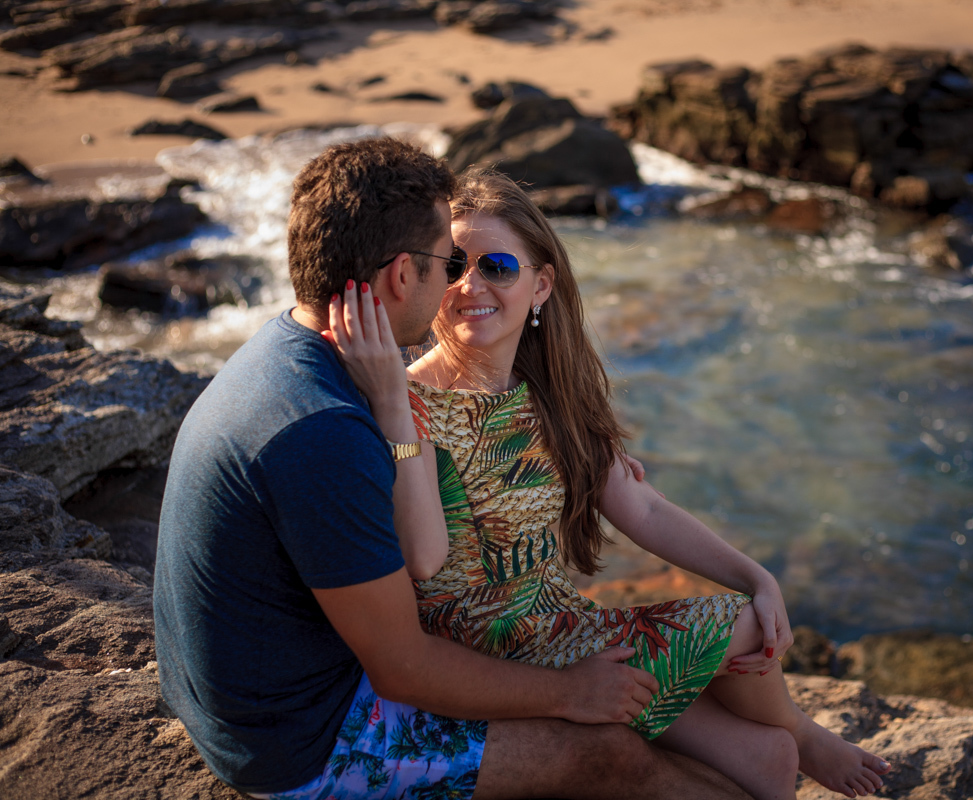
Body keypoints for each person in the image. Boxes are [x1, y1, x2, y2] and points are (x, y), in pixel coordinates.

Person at [153, 137, 762, 800]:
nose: (459, 282)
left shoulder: (290, 351)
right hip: (303, 744)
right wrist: (569, 693)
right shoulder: (325, 431)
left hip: (256, 700)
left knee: (636, 723)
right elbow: (404, 668)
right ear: (401, 277)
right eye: (447, 264)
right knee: (605, 754)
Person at [328, 166, 893, 800]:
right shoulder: (408, 403)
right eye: (452, 265)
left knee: (763, 738)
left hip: (564, 629)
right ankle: (801, 730)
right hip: (488, 665)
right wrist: (394, 410)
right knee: (751, 703)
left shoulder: (548, 396)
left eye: (497, 267)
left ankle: (798, 733)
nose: (470, 285)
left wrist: (759, 578)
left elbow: (643, 512)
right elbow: (426, 558)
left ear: (541, 286)